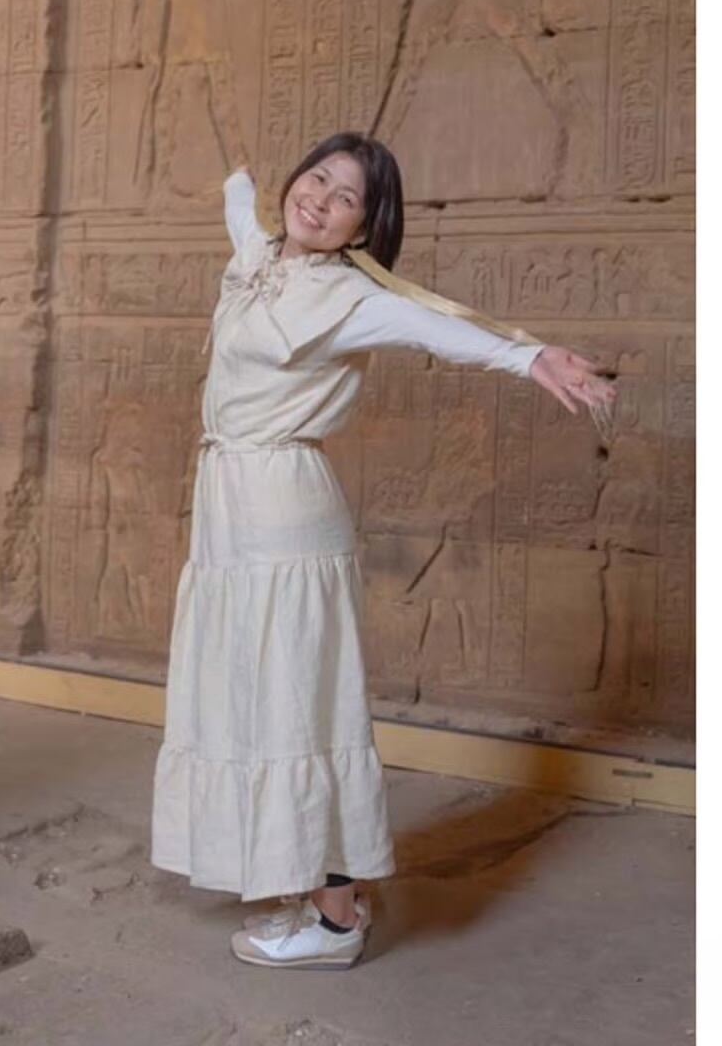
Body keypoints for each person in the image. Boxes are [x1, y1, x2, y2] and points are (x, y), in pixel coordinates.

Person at [151, 132, 616, 971]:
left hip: (283, 511)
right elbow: (240, 213)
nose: (320, 200)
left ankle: (336, 920)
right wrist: (237, 176)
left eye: (346, 199)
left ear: (363, 229)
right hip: (229, 507)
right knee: (255, 693)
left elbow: (434, 327)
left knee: (301, 702)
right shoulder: (259, 258)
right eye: (317, 178)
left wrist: (529, 356)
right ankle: (307, 884)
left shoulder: (350, 297)